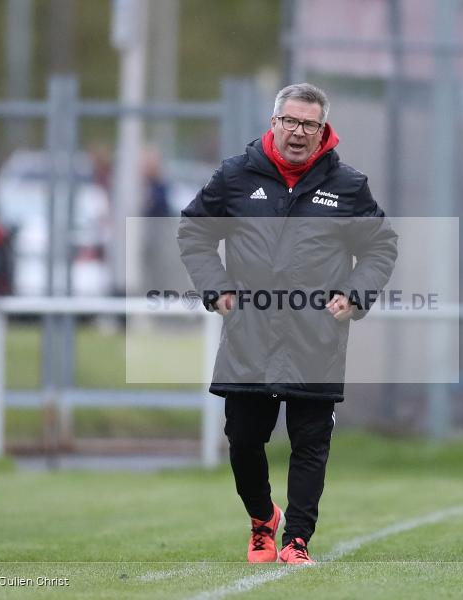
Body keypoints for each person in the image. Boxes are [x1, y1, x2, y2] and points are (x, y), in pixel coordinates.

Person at [177, 83, 397, 564]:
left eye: (309, 124)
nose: (298, 132)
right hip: (249, 336)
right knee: (243, 441)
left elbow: (381, 246)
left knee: (310, 443)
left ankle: (296, 540)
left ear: (324, 131)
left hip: (315, 337)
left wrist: (355, 296)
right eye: (290, 122)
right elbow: (194, 230)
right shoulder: (235, 176)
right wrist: (215, 288)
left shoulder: (348, 186)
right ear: (274, 122)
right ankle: (262, 519)